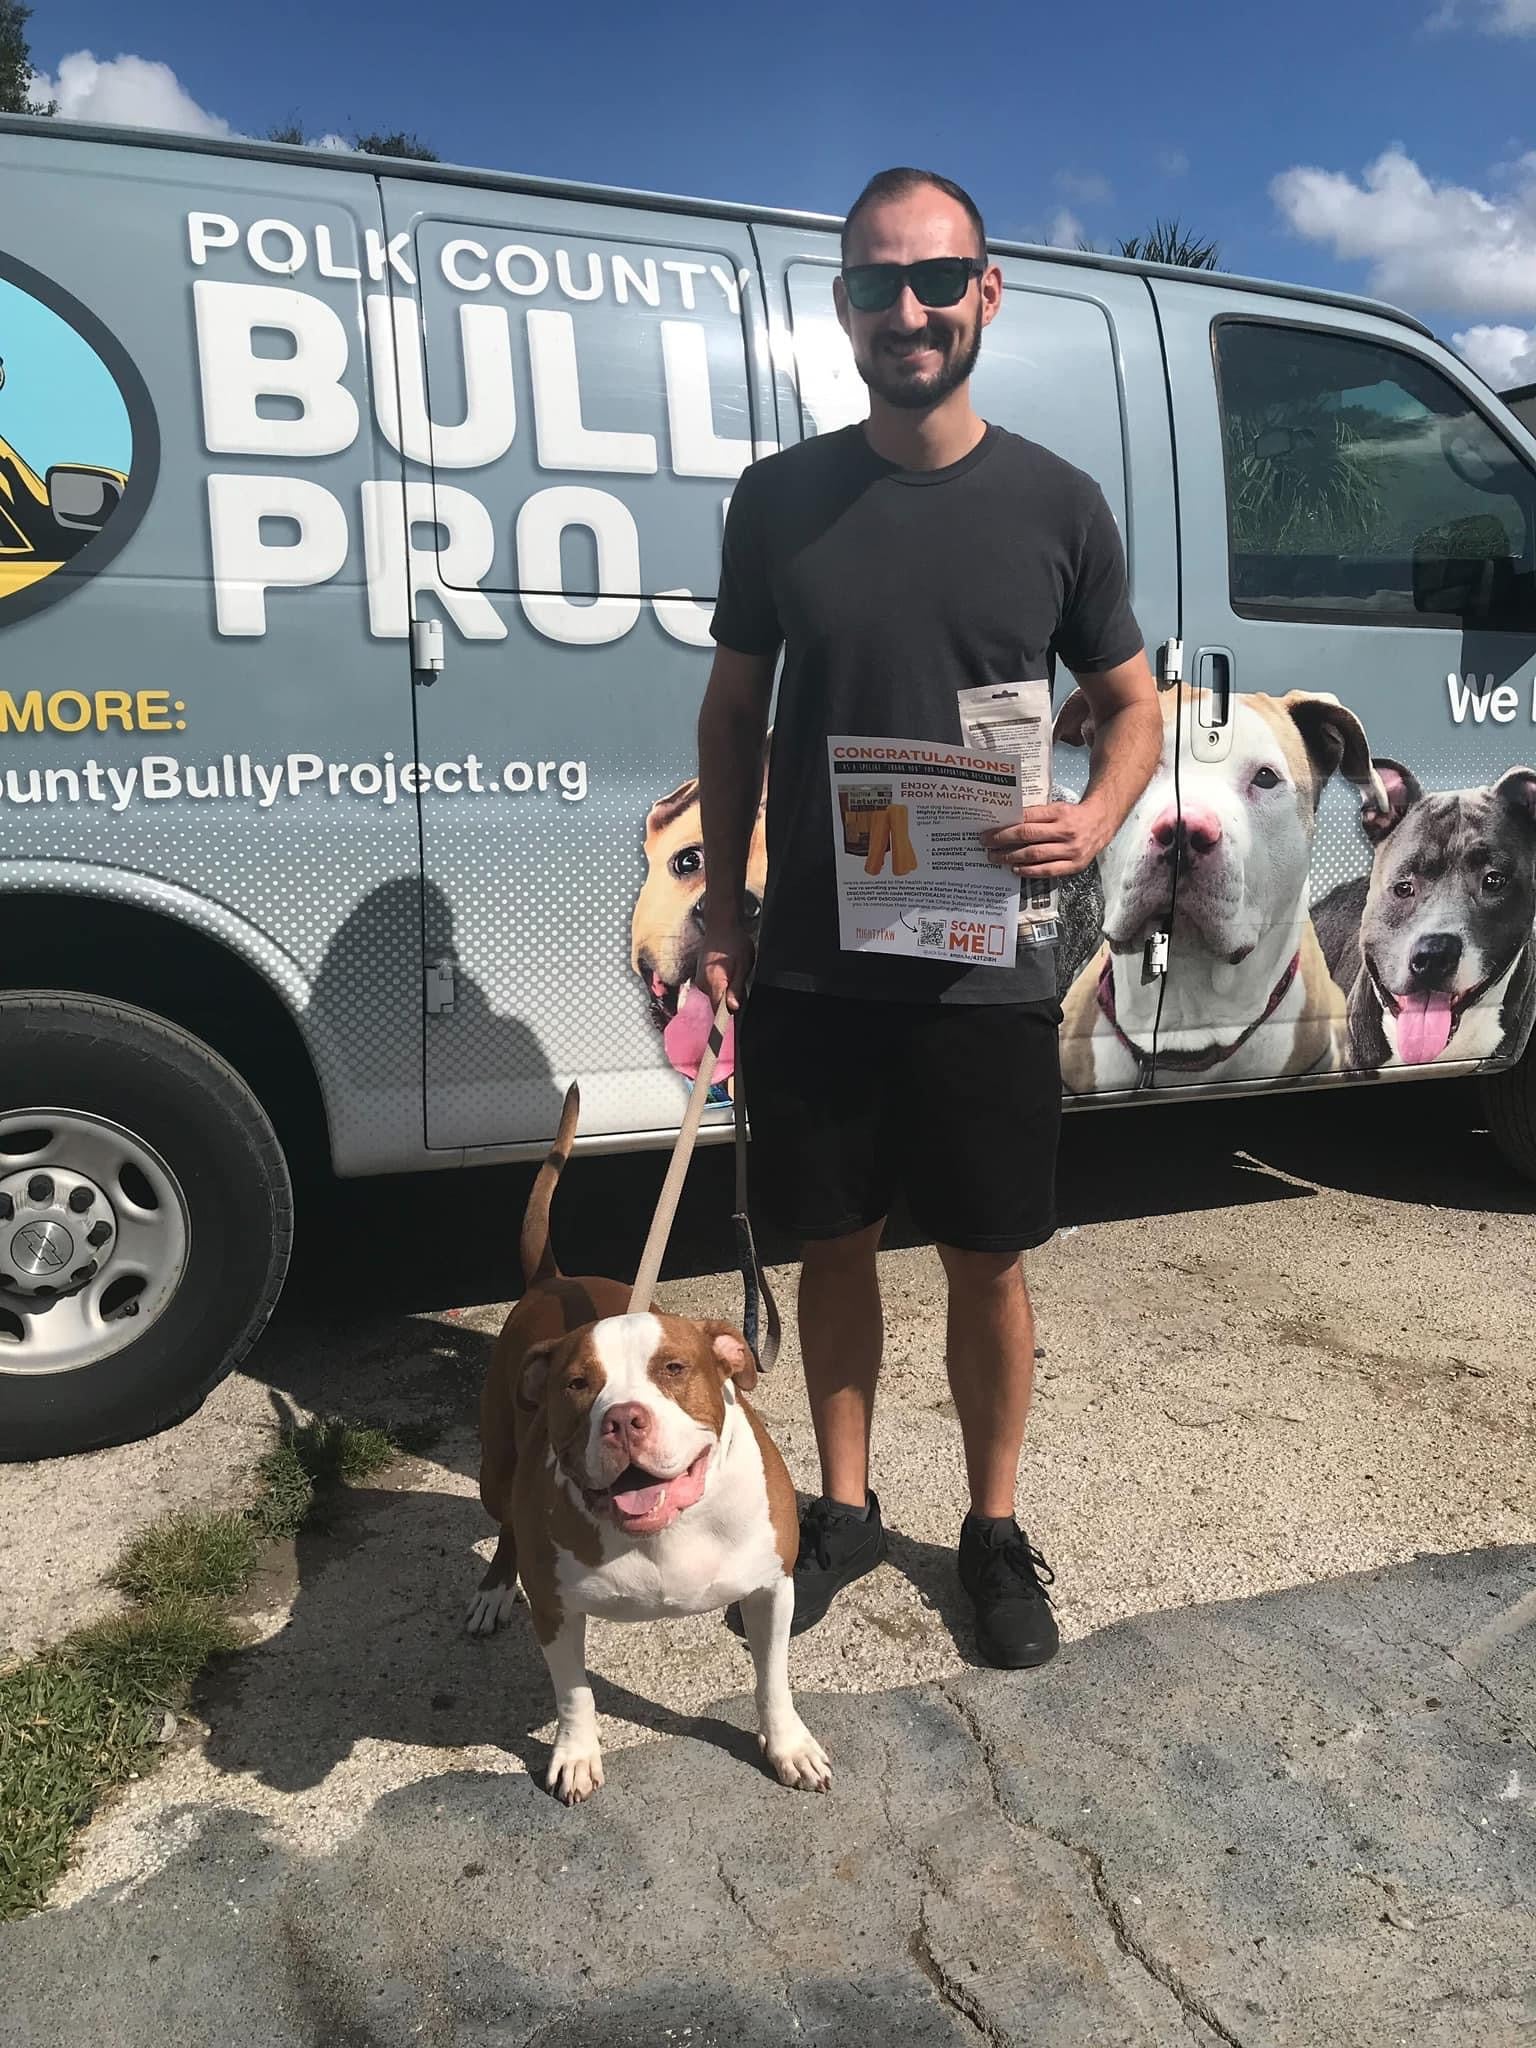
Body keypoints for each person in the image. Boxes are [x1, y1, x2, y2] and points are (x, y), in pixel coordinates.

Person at [698, 166, 1162, 1669]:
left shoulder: (1056, 504)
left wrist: (1092, 816)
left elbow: (1130, 708)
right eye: (879, 284)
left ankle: (991, 1528)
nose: (911, 310)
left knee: (988, 1260)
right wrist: (725, 900)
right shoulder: (780, 501)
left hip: (987, 973)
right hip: (819, 970)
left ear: (987, 293)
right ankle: (839, 1508)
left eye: (939, 279)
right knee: (834, 1249)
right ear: (841, 307)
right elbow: (733, 703)